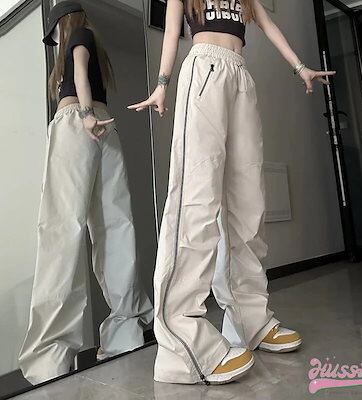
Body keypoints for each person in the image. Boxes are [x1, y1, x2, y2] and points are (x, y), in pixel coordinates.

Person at [129, 0, 335, 385]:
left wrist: (300, 67)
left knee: (248, 204)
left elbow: (267, 25)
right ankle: (181, 343)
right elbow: (172, 31)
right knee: (196, 199)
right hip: (203, 70)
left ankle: (250, 321)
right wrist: (162, 85)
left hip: (240, 75)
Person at [19, 1, 153, 385]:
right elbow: (88, 76)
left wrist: (84, 113)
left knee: (62, 230)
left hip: (78, 123)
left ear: (62, 22)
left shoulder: (78, 34)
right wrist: (94, 115)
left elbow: (78, 72)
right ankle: (125, 332)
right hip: (105, 130)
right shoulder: (96, 42)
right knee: (115, 225)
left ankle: (50, 356)